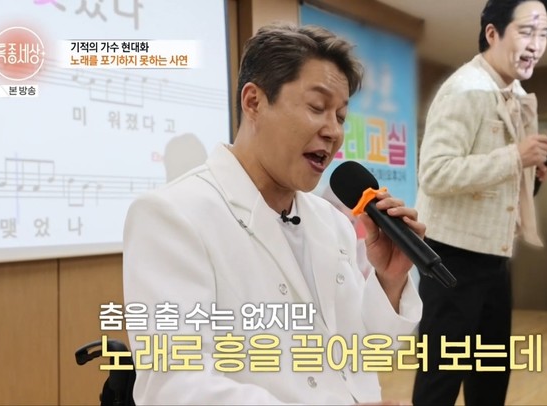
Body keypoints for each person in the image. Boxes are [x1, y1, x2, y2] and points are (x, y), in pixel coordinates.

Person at [123, 23, 423, 405]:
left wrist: (390, 280)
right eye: (317, 107)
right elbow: (174, 387)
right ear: (254, 102)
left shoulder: (332, 221)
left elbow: (359, 353)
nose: (333, 131)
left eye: (341, 116)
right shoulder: (172, 215)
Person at [413, 1, 547, 405]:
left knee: (491, 377)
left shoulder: (514, 93)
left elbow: (496, 188)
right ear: (492, 33)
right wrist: (514, 157)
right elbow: (435, 173)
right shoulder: (466, 89)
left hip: (494, 256)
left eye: (543, 34)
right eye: (526, 32)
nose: (536, 44)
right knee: (440, 379)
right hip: (450, 259)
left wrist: (531, 174)